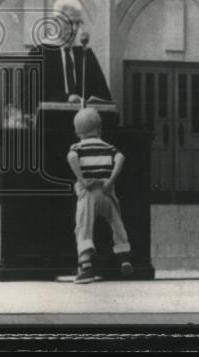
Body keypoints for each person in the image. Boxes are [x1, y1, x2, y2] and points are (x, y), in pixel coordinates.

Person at [66, 107, 133, 284]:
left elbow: (71, 157)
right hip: (106, 192)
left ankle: (86, 265)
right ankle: (124, 257)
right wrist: (111, 180)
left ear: (77, 131)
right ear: (99, 129)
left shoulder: (77, 147)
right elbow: (121, 158)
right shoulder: (108, 147)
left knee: (83, 227)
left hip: (88, 194)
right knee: (116, 223)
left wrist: (82, 180)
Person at [29, 0, 112, 106]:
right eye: (69, 22)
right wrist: (66, 98)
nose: (74, 28)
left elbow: (104, 94)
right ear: (56, 22)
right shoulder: (39, 52)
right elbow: (30, 94)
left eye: (77, 23)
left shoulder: (85, 53)